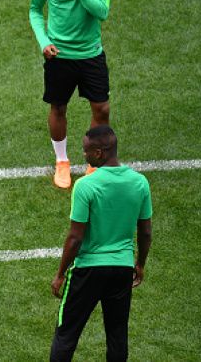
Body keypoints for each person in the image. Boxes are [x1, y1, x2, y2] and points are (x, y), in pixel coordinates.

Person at [49, 125, 153, 361]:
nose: (84, 156)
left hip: (88, 270)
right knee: (117, 335)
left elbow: (75, 237)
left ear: (99, 153)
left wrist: (61, 273)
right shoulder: (140, 183)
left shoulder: (86, 186)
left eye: (86, 151)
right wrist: (140, 264)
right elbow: (145, 232)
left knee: (66, 334)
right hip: (121, 270)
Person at [29, 0, 111, 188]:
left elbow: (101, 11)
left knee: (101, 108)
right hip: (59, 56)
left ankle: (94, 162)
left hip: (90, 54)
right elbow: (34, 9)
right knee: (58, 107)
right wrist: (43, 41)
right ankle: (62, 162)